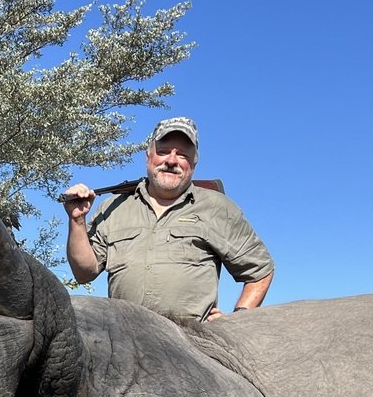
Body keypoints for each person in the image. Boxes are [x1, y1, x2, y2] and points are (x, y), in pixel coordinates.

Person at [62, 117, 274, 321]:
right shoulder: (113, 207)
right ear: (148, 156)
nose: (171, 161)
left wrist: (237, 321)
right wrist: (77, 220)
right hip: (125, 342)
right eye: (163, 152)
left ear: (194, 163)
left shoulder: (218, 207)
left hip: (190, 346)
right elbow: (84, 273)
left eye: (182, 155)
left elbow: (260, 270)